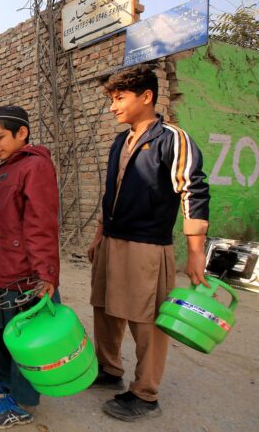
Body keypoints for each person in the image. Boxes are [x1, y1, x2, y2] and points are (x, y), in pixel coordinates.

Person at [87, 64, 210, 421]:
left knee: (148, 321)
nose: (113, 107)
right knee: (105, 308)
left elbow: (194, 190)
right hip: (112, 240)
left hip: (147, 246)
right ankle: (109, 370)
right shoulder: (118, 141)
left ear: (146, 96)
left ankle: (145, 394)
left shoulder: (173, 138)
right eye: (111, 99)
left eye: (119, 98)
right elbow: (111, 192)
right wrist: (99, 235)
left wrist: (196, 253)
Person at [0, 106, 60, 429]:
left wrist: (45, 273)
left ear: (22, 133)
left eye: (0, 137)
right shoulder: (7, 168)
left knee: (25, 338)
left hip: (25, 275)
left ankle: (21, 402)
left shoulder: (35, 166)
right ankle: (6, 380)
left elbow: (42, 224)